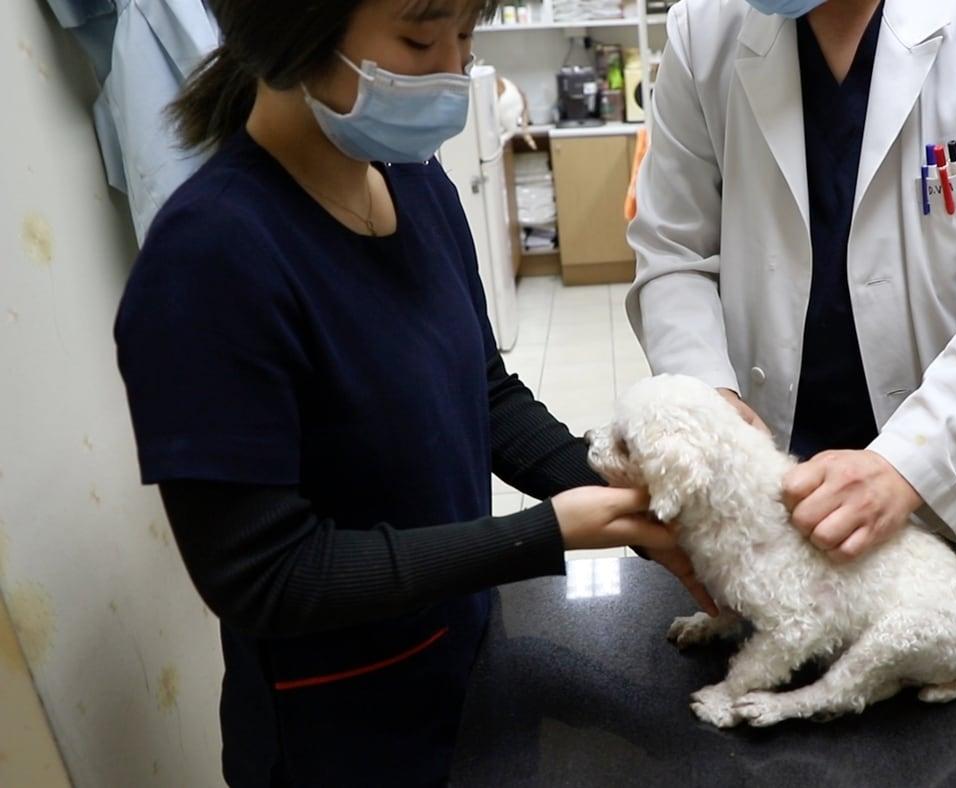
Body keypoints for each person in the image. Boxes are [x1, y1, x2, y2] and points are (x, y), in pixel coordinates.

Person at [113, 1, 710, 784]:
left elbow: (484, 392)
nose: (454, 72)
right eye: (421, 39)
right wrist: (547, 533)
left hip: (464, 666)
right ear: (293, 34)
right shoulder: (209, 261)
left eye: (464, 38)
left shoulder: (417, 187)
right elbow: (268, 575)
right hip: (342, 734)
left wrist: (633, 505)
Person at [628, 0, 956, 558]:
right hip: (771, 481)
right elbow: (674, 248)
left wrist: (913, 460)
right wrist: (707, 394)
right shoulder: (704, 24)